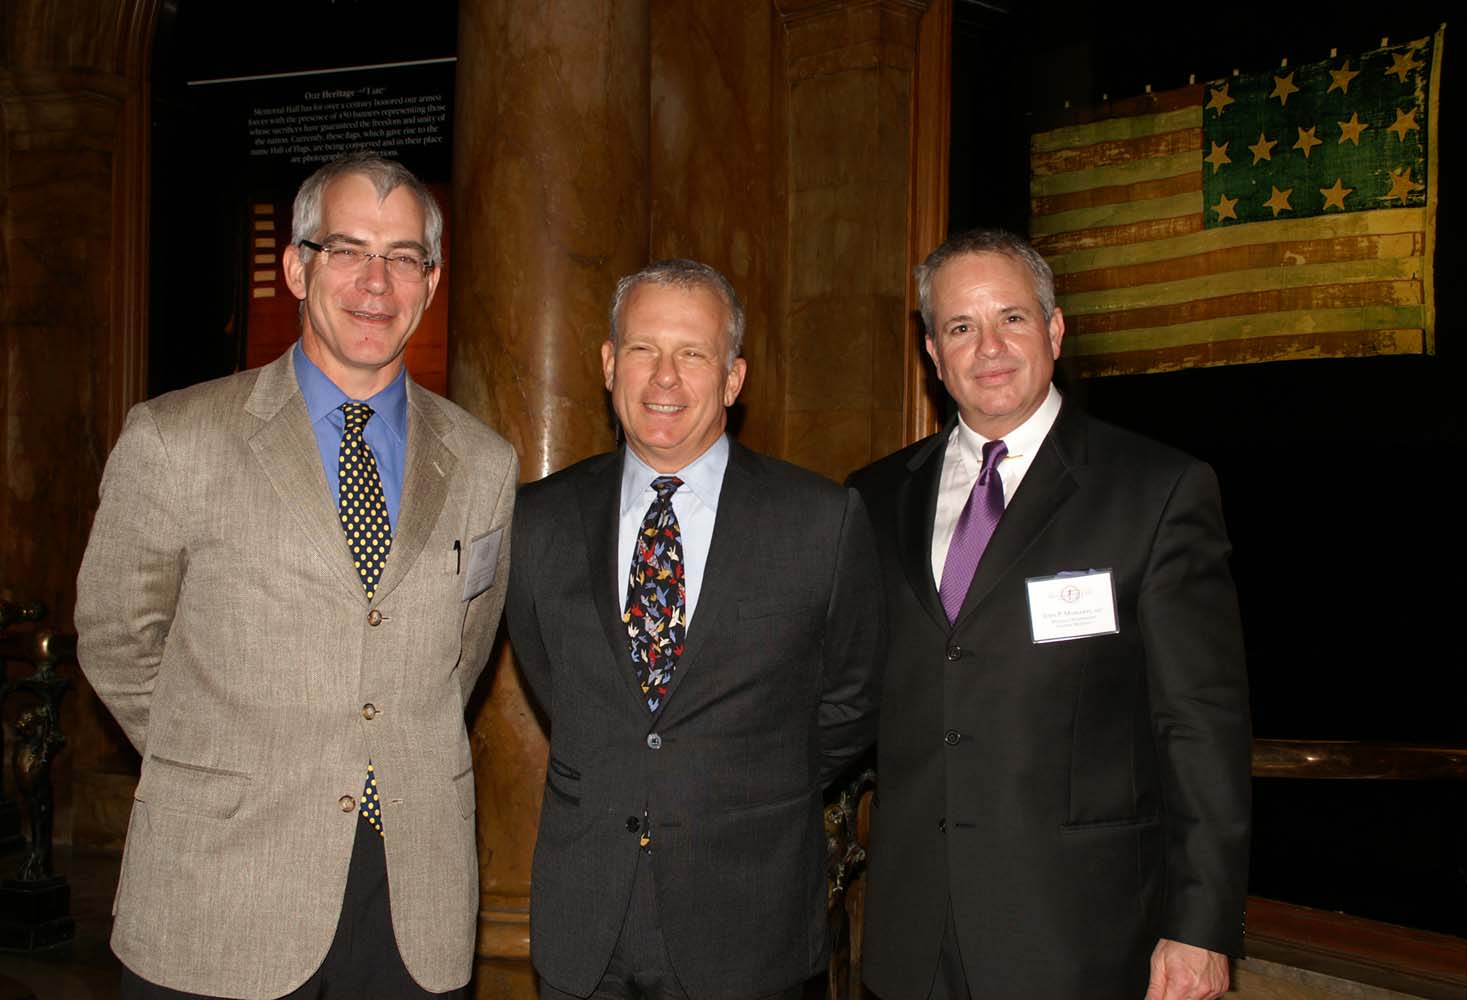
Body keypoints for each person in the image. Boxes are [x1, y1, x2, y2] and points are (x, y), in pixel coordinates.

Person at [75, 155, 518, 1000]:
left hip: (410, 899)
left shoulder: (484, 465)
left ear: (430, 281)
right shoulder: (176, 438)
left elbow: (460, 654)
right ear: (295, 266)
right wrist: (214, 760)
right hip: (223, 884)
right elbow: (115, 637)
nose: (375, 282)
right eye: (347, 249)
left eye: (401, 258)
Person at [848, 229, 1250, 1000]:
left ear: (1055, 330)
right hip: (912, 934)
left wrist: (1200, 924)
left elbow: (1201, 723)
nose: (989, 347)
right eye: (961, 327)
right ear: (934, 353)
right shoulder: (871, 499)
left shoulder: (1155, 490)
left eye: (1013, 319)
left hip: (1081, 936)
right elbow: (847, 694)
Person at [506, 259, 884, 1000]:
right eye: (643, 349)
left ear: (734, 378)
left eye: (694, 354)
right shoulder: (539, 520)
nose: (665, 379)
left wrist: (745, 778)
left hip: (749, 919)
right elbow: (555, 681)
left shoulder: (820, 521)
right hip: (587, 925)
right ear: (610, 364)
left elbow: (856, 695)